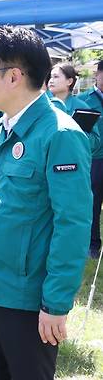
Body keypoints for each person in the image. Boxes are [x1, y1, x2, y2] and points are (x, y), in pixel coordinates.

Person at [0, 25, 92, 380]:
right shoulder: (2, 127)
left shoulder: (60, 134)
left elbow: (72, 225)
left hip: (25, 299)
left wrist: (55, 302)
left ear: (14, 76)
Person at [79, 60, 103, 259]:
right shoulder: (85, 100)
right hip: (96, 158)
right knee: (94, 201)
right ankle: (93, 244)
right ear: (98, 75)